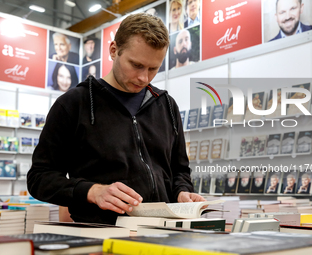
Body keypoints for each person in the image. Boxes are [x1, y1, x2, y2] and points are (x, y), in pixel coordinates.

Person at [27, 13, 205, 225]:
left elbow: (180, 171)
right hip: (99, 234)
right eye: (136, 65)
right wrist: (92, 191)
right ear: (113, 50)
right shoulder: (74, 104)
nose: (144, 78)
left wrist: (182, 192)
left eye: (153, 69)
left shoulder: (166, 105)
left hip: (164, 232)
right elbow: (39, 178)